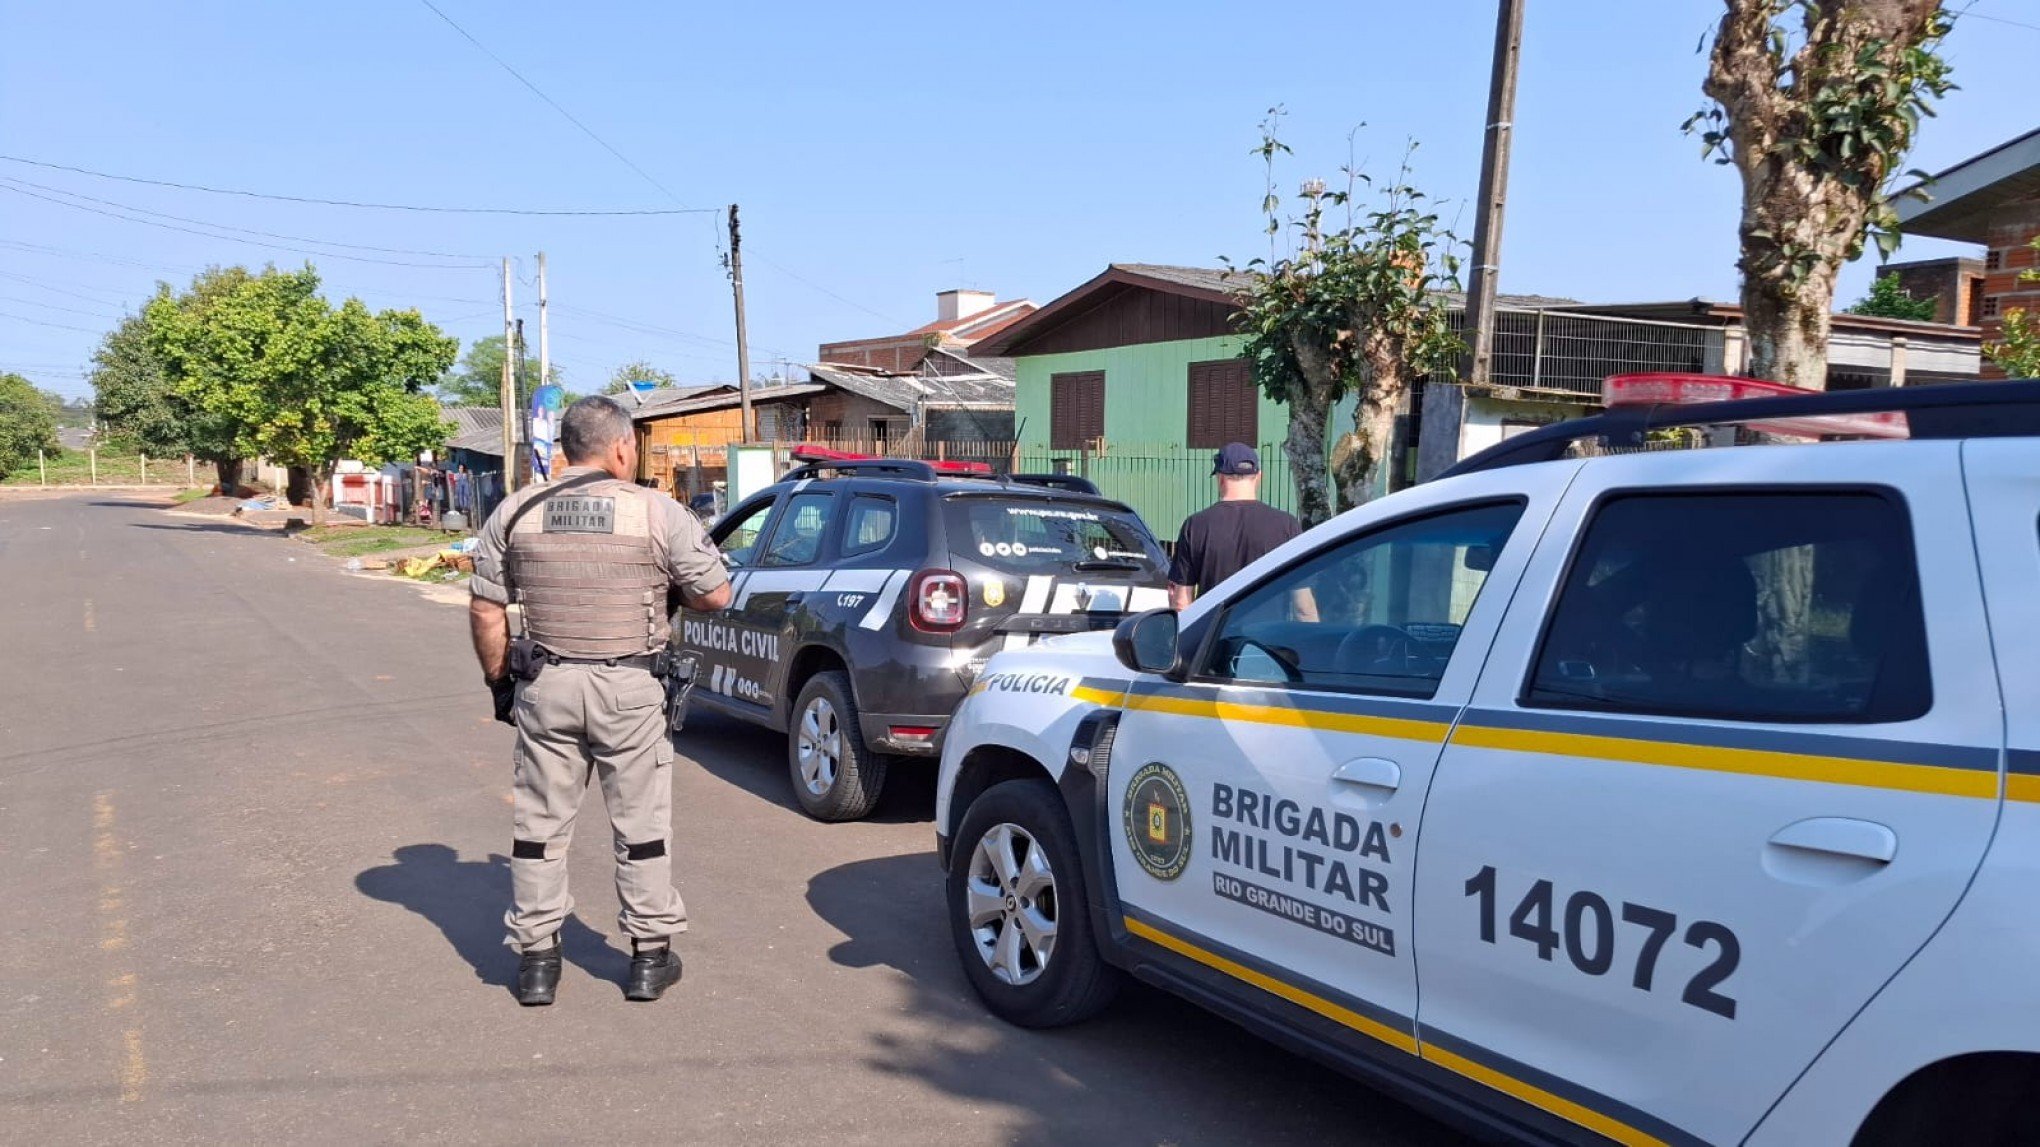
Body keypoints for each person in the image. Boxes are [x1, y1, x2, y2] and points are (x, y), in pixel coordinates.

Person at [467, 396, 734, 1006]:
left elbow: (486, 608)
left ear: (566, 448)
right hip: (630, 693)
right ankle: (648, 959)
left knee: (538, 828)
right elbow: (716, 595)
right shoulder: (657, 513)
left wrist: (500, 684)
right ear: (620, 448)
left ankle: (537, 964)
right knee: (641, 829)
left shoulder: (516, 511)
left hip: (547, 687)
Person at [1168, 443, 1314, 617]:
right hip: (1268, 639)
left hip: (1216, 639)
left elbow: (1181, 601)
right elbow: (1303, 605)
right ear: (1259, 477)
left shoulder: (1195, 526)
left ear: (1220, 478)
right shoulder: (1287, 525)